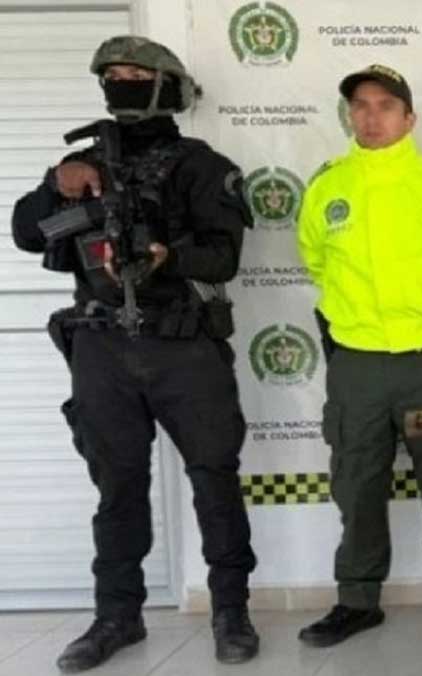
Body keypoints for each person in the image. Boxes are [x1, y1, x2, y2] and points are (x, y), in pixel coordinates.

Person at [10, 36, 259, 671]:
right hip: (101, 348)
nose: (121, 81)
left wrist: (168, 256)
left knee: (214, 477)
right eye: (113, 73)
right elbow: (25, 233)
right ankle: (116, 616)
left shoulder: (201, 166)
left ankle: (231, 611)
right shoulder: (80, 165)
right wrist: (58, 187)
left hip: (183, 345)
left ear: (165, 85)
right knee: (117, 486)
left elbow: (224, 258)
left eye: (134, 73)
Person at [296, 64, 422, 648]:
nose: (371, 116)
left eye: (385, 105)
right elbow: (316, 263)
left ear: (409, 118)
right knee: (356, 483)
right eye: (360, 105)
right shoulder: (328, 187)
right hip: (356, 364)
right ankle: (357, 600)